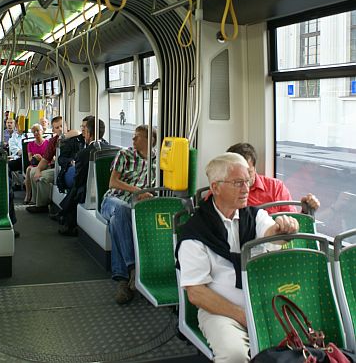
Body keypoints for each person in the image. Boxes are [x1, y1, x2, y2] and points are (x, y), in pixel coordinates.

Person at [176, 153, 299, 363]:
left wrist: (283, 228)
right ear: (215, 187)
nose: (246, 188)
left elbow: (271, 233)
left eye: (247, 181)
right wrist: (243, 316)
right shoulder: (194, 233)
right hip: (219, 311)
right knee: (234, 355)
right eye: (238, 183)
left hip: (263, 303)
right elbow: (196, 293)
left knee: (297, 345)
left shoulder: (254, 216)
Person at [100, 124, 157, 305]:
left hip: (136, 206)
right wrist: (138, 191)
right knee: (121, 211)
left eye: (137, 137)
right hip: (112, 201)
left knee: (117, 222)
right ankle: (133, 268)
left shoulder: (159, 162)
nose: (133, 140)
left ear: (150, 141)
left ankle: (122, 280)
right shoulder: (125, 155)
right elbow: (113, 182)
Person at [226, 143, 320, 214]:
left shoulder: (275, 187)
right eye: (238, 176)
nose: (244, 180)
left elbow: (293, 222)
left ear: (255, 169)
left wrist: (306, 211)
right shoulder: (223, 191)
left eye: (248, 173)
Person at [58, 117, 111, 236]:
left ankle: (68, 221)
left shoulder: (84, 154)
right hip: (107, 189)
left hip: (88, 191)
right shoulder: (112, 149)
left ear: (88, 133)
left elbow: (78, 180)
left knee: (76, 190)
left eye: (84, 130)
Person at [27, 116, 78, 213]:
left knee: (43, 177)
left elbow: (77, 132)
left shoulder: (74, 136)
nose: (60, 129)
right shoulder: (53, 141)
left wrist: (64, 137)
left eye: (62, 126)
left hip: (68, 168)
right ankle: (35, 201)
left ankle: (42, 205)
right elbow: (46, 159)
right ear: (53, 129)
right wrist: (38, 170)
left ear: (66, 125)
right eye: (57, 127)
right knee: (33, 172)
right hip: (57, 168)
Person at [23, 123, 49, 204]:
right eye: (34, 132)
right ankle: (28, 194)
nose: (36, 133)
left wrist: (41, 158)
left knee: (30, 170)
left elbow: (51, 158)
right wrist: (35, 157)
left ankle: (33, 196)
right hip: (34, 163)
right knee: (29, 169)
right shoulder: (30, 144)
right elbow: (30, 158)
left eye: (37, 131)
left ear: (42, 131)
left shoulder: (48, 143)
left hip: (45, 163)